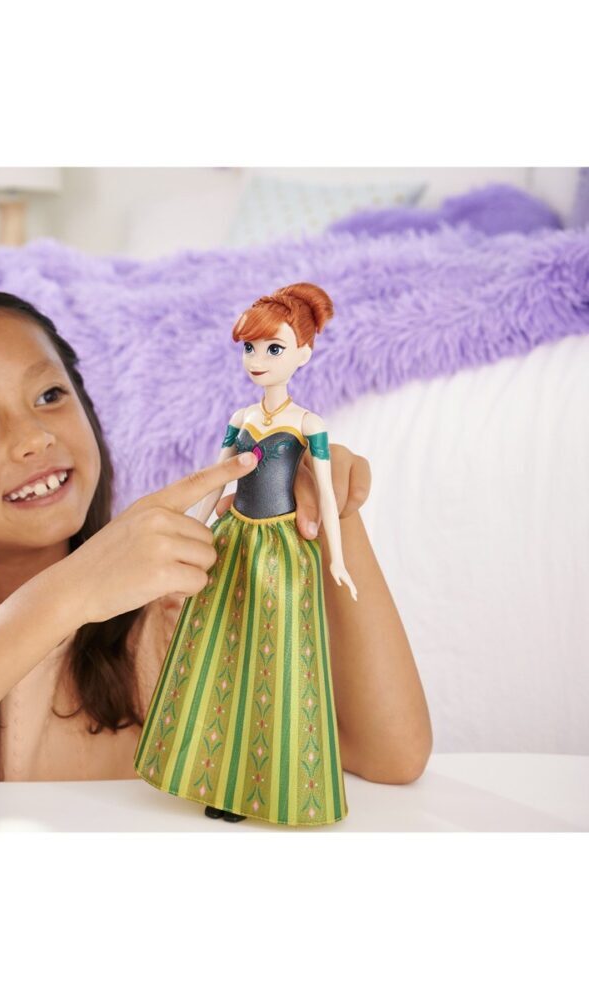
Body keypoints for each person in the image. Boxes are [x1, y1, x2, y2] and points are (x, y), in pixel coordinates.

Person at [0, 288, 431, 826]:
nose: (34, 438)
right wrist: (68, 593)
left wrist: (334, 515)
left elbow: (391, 755)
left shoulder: (171, 588)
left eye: (50, 395)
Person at [136, 283, 358, 826]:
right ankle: (217, 780)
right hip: (234, 539)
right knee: (219, 656)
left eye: (273, 348)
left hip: (282, 549)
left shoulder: (308, 425)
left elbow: (325, 496)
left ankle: (269, 787)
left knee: (278, 661)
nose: (258, 359)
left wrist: (337, 559)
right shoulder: (241, 418)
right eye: (251, 348)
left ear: (304, 354)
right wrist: (194, 528)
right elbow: (215, 480)